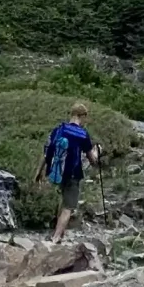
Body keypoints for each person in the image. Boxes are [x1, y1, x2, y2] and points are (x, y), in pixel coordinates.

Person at [41, 102, 97, 243]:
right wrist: (96, 152)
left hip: (56, 171)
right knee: (68, 207)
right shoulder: (82, 134)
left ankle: (58, 233)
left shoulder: (58, 129)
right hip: (73, 174)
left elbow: (46, 152)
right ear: (81, 116)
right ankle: (56, 238)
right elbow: (92, 160)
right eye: (85, 118)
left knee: (63, 200)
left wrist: (39, 172)